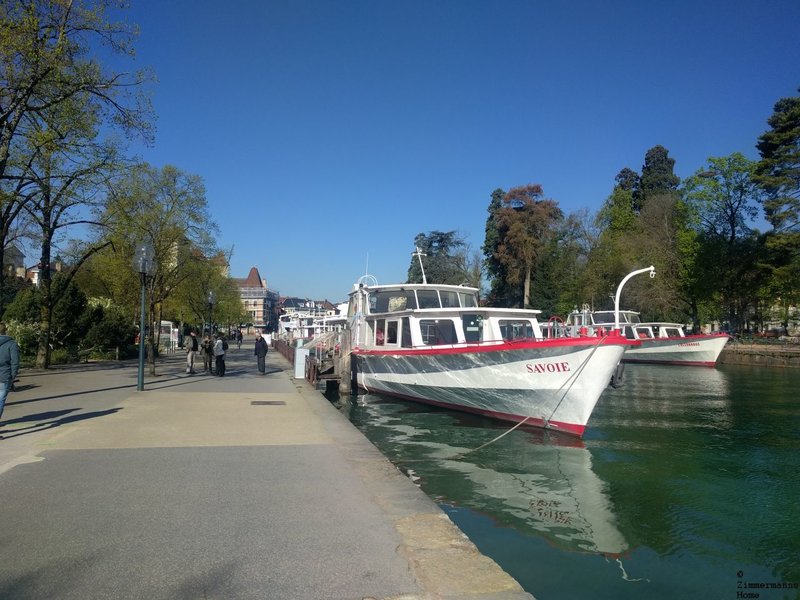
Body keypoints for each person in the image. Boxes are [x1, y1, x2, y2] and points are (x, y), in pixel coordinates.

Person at [0, 322, 21, 432]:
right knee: (0, 401)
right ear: (5, 330)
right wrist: (13, 376)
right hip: (4, 375)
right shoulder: (11, 343)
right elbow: (15, 362)